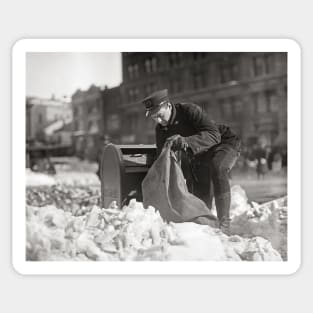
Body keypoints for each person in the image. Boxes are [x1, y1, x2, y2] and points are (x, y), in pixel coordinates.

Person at [142, 89, 241, 234]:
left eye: (160, 116)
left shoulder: (189, 110)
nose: (158, 121)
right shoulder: (161, 130)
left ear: (168, 106)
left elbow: (214, 135)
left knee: (217, 167)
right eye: (154, 117)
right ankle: (207, 225)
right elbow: (162, 158)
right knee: (200, 190)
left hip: (224, 143)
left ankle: (224, 225)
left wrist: (185, 141)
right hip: (200, 154)